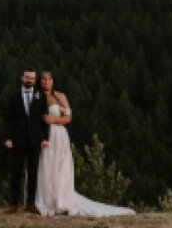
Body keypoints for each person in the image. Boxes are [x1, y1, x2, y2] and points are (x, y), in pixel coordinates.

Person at [34, 72, 135, 217]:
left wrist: (53, 120)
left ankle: (60, 199)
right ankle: (47, 199)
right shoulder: (36, 97)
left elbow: (68, 118)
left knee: (61, 165)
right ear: (40, 81)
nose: (47, 81)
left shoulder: (60, 96)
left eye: (49, 79)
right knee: (46, 165)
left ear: (53, 81)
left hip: (59, 135)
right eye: (44, 79)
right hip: (44, 136)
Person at [3, 68, 49, 213]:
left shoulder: (40, 96)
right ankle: (13, 204)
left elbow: (44, 119)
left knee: (33, 172)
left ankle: (30, 204)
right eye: (27, 77)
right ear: (22, 78)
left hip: (35, 140)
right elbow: (8, 119)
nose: (30, 80)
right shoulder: (14, 96)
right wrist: (8, 138)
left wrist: (45, 138)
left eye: (32, 78)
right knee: (16, 172)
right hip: (17, 140)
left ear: (35, 80)